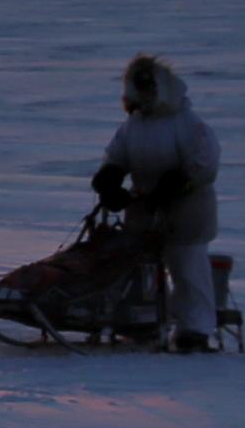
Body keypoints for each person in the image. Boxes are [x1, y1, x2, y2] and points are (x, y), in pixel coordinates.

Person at [90, 53, 222, 352]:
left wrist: (178, 181)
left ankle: (195, 330)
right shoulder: (133, 126)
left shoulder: (186, 122)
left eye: (149, 86)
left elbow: (205, 163)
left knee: (188, 266)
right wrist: (109, 179)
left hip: (186, 209)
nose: (144, 93)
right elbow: (117, 156)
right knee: (135, 267)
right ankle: (140, 322)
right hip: (144, 208)